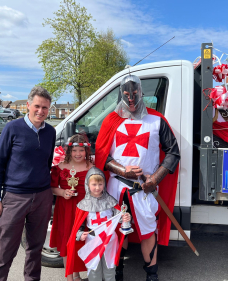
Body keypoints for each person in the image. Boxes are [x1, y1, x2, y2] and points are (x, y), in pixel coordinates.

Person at [95, 75, 180, 281]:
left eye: (135, 94)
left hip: (144, 189)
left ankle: (151, 274)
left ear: (141, 92)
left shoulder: (157, 120)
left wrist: (155, 180)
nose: (131, 99)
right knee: (118, 229)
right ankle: (117, 272)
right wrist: (123, 171)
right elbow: (101, 154)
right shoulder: (111, 121)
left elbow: (173, 153)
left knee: (149, 230)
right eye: (126, 95)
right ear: (121, 94)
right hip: (117, 187)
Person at [0, 86, 56, 281]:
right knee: (5, 250)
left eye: (45, 107)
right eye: (37, 106)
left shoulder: (50, 132)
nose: (41, 111)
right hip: (15, 197)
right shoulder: (12, 128)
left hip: (42, 197)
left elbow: (47, 162)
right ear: (28, 105)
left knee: (35, 250)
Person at [66, 167, 131, 281]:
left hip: (109, 239)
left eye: (100, 184)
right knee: (94, 271)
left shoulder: (111, 201)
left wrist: (126, 217)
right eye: (94, 184)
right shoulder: (83, 204)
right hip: (92, 240)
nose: (97, 187)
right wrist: (80, 234)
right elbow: (79, 226)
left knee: (110, 270)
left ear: (104, 184)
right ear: (88, 184)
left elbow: (119, 219)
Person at [50, 134, 94, 281]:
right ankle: (70, 278)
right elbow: (51, 188)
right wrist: (63, 192)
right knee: (67, 242)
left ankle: (77, 275)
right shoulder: (60, 166)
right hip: (65, 209)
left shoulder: (92, 167)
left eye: (81, 151)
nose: (78, 154)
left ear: (86, 151)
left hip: (85, 210)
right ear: (69, 151)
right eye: (74, 151)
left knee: (81, 242)